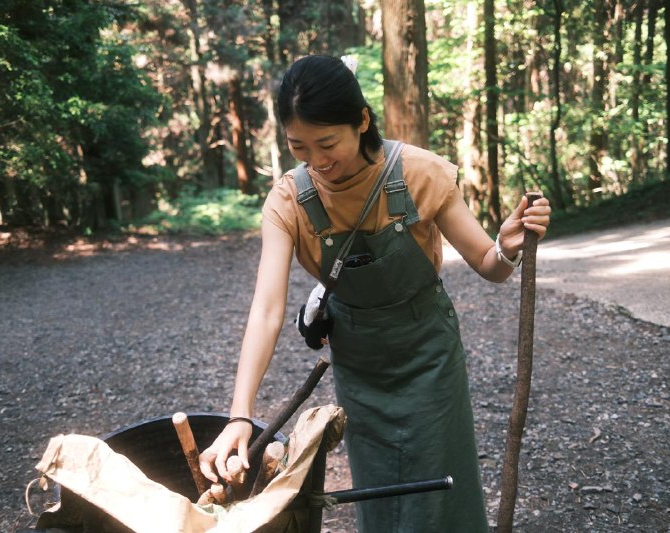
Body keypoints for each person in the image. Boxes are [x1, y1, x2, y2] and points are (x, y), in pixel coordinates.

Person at [198, 54, 551, 532]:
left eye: (327, 143)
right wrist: (240, 414)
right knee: (378, 488)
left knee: (443, 486)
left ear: (362, 120)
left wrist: (507, 246)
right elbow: (266, 310)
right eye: (299, 147)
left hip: (429, 351)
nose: (317, 161)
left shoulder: (421, 173)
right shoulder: (288, 201)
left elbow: (490, 267)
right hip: (358, 360)